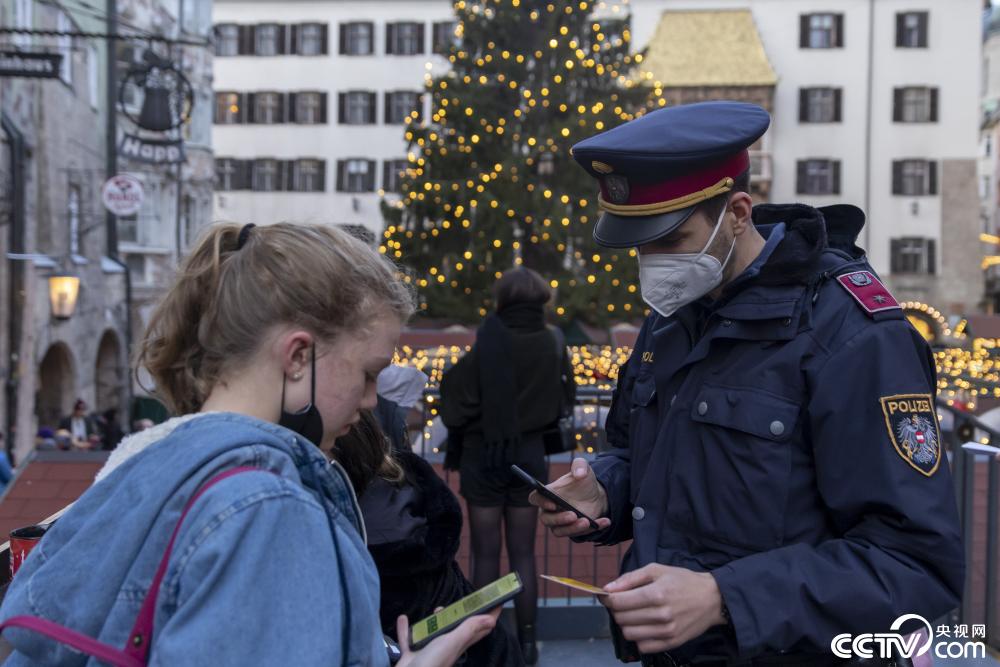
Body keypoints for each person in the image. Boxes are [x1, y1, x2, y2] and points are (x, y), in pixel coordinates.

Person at [531, 101, 965, 666]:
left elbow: (915, 564)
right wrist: (605, 490)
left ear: (738, 212)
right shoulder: (673, 318)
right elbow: (653, 458)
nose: (651, 262)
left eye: (671, 239)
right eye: (639, 245)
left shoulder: (853, 336)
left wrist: (724, 598)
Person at [0, 222, 498, 666]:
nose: (371, 400)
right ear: (298, 356)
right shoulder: (271, 511)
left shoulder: (146, 471)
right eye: (368, 374)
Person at [439, 267, 575, 665]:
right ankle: (529, 644)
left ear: (502, 301)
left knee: (484, 555)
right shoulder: (552, 341)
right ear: (541, 301)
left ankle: (482, 642)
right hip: (529, 459)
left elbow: (456, 403)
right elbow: (563, 399)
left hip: (483, 458)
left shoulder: (489, 340)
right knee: (523, 554)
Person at [332, 411, 524, 667]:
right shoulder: (411, 496)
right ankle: (530, 637)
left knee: (489, 549)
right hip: (494, 650)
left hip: (481, 457)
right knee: (517, 551)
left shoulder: (342, 542)